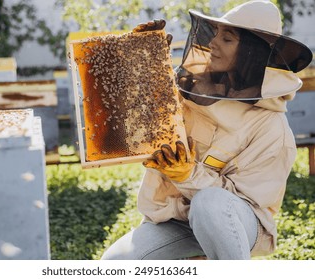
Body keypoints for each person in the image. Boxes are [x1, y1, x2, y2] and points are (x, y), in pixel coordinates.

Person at [101, 0, 313, 260]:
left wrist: (188, 174)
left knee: (209, 204)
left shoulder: (271, 129)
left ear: (251, 51)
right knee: (116, 263)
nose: (213, 43)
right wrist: (143, 67)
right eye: (215, 34)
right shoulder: (190, 91)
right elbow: (140, 124)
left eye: (227, 38)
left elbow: (241, 202)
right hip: (177, 219)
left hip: (239, 223)